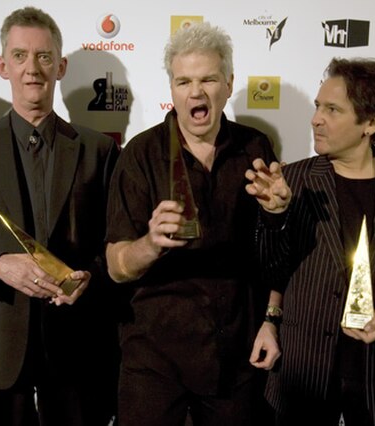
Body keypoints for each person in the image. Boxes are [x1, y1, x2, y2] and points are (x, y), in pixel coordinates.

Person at [0, 6, 120, 426]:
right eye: (19, 56)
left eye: (44, 56)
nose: (32, 68)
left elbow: (113, 245)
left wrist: (90, 275)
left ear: (61, 66)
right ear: (2, 66)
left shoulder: (99, 151)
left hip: (76, 345)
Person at [105, 22, 280, 426]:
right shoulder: (140, 155)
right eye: (184, 81)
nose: (196, 92)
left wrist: (278, 214)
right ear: (171, 89)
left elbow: (273, 253)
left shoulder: (255, 147)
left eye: (208, 79)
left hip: (235, 354)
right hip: (154, 358)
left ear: (229, 83)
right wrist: (150, 243)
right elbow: (116, 266)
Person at [245, 57, 375, 426]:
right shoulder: (292, 181)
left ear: (372, 123)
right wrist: (275, 217)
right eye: (317, 106)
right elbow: (270, 270)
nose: (316, 118)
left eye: (332, 109)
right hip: (304, 374)